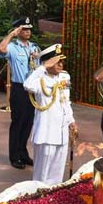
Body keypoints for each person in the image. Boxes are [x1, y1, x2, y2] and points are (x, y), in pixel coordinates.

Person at [24, 44, 77, 185]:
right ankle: (38, 199)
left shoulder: (65, 76)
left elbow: (66, 101)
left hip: (62, 132)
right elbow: (27, 85)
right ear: (48, 63)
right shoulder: (39, 78)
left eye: (61, 61)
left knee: (57, 172)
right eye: (56, 61)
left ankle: (52, 200)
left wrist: (71, 121)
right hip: (46, 134)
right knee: (42, 174)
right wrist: (43, 67)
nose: (60, 64)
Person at [0, 17, 40, 169]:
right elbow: (1, 49)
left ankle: (23, 152)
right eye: (24, 29)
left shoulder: (35, 47)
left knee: (28, 123)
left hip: (32, 89)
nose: (28, 32)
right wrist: (11, 35)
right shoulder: (13, 47)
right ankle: (14, 155)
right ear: (18, 31)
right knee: (18, 123)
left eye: (29, 29)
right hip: (19, 88)